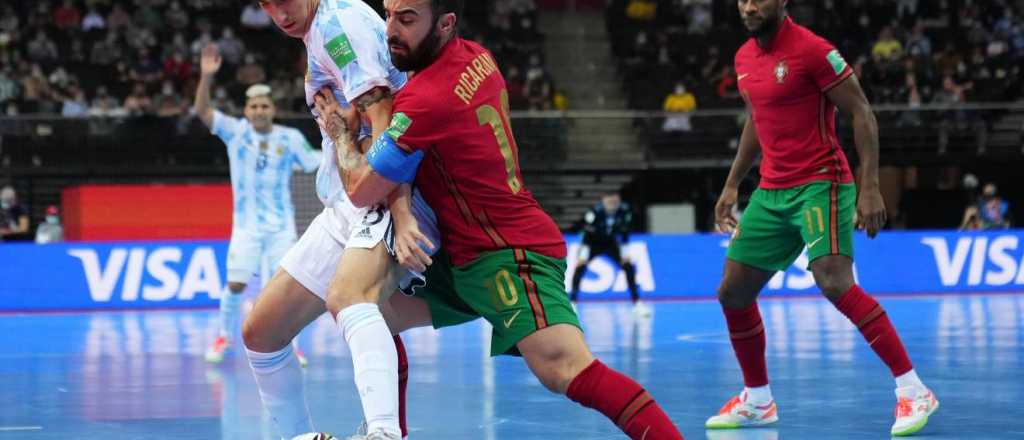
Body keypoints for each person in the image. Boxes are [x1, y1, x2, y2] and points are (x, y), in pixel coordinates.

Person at [329, 1, 685, 438]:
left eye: (406, 19)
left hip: (505, 252)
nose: (390, 31)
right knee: (370, 314)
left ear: (445, 23)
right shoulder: (477, 56)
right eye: (388, 14)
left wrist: (342, 135)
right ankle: (388, 433)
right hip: (460, 253)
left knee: (565, 368)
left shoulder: (427, 99)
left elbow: (362, 189)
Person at [706, 1, 938, 437]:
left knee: (834, 281)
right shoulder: (743, 57)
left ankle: (914, 389)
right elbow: (757, 119)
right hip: (772, 190)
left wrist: (870, 187)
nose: (749, 6)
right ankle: (758, 400)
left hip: (821, 182)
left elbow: (861, 111)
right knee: (733, 293)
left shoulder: (813, 50)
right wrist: (733, 183)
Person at [242, 1, 440, 439]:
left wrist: (400, 211)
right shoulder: (317, 28)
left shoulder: (339, 28)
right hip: (348, 199)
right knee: (261, 333)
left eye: (284, 1)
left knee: (351, 298)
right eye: (268, 5)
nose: (280, 15)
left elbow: (388, 122)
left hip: (387, 192)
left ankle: (384, 433)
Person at [192, 44, 320, 369]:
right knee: (236, 284)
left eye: (265, 105)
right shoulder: (235, 133)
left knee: (283, 289)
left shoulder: (290, 138)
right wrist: (206, 77)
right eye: (254, 106)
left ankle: (290, 345)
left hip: (281, 227)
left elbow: (315, 162)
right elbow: (202, 111)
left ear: (272, 109)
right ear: (246, 111)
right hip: (246, 227)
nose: (260, 110)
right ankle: (224, 337)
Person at [569, 191, 649, 317]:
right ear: (603, 200)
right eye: (609, 199)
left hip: (611, 243)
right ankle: (573, 302)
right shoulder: (595, 212)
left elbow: (625, 232)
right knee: (580, 267)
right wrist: (583, 254)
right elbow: (586, 233)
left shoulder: (624, 211)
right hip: (593, 243)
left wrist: (625, 253)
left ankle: (637, 303)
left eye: (615, 199)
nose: (613, 202)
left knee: (628, 267)